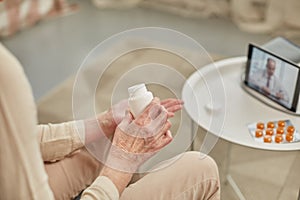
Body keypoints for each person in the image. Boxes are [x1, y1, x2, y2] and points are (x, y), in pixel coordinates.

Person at [0, 42, 220, 200]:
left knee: (102, 145)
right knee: (202, 171)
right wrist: (123, 161)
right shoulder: (5, 74)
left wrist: (101, 124)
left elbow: (17, 143)